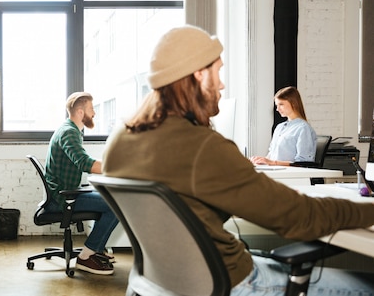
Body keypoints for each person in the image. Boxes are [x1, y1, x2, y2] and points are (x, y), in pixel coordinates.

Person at [102, 25, 374, 295]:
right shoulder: (201, 146)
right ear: (198, 74)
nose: (221, 83)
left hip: (164, 282)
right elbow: (297, 216)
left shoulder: (119, 141)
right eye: (217, 71)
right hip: (229, 281)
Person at [45, 92, 119, 275]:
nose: (94, 113)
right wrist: (122, 166)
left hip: (67, 193)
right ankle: (86, 256)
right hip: (63, 199)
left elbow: (84, 161)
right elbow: (86, 164)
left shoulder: (70, 130)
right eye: (91, 109)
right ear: (80, 111)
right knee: (118, 204)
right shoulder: (69, 132)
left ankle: (95, 250)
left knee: (112, 199)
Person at [250, 86, 316, 166]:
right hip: (276, 172)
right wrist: (260, 161)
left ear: (294, 103)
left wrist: (272, 162)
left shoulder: (303, 128)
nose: (277, 109)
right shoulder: (279, 127)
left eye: (281, 104)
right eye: (276, 105)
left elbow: (303, 162)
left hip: (290, 175)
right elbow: (271, 155)